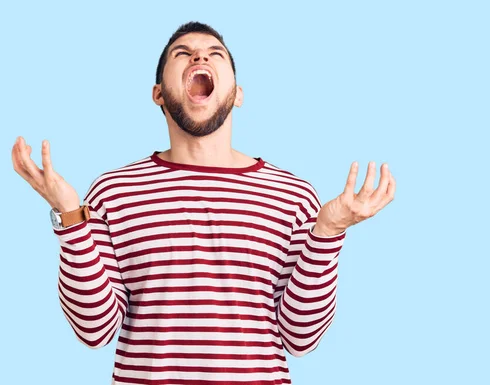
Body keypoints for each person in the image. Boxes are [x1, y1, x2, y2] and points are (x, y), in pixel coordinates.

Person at [11, 21, 395, 385]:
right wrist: (71, 217)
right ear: (158, 92)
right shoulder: (114, 191)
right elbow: (94, 330)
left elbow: (300, 338)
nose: (199, 58)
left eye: (215, 54)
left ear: (238, 93)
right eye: (183, 53)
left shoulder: (293, 196)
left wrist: (328, 232)